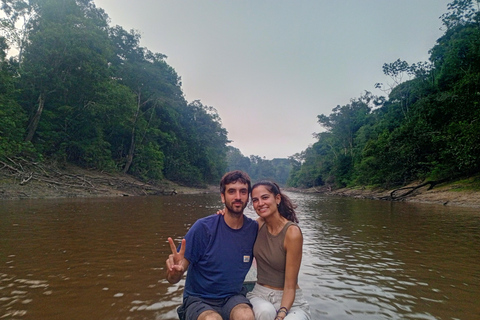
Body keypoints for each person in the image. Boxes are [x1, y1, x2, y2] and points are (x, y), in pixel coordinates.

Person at [166, 170, 258, 320]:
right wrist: (174, 273)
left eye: (243, 192)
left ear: (248, 196)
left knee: (246, 316)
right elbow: (173, 277)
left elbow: (275, 226)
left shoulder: (253, 229)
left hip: (233, 297)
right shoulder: (203, 228)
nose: (237, 197)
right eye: (231, 191)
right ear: (223, 196)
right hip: (199, 299)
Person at [247, 181, 311, 320]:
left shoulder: (292, 233)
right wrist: (223, 214)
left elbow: (290, 286)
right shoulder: (257, 226)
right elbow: (234, 225)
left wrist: (281, 314)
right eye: (255, 200)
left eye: (265, 197)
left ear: (277, 199)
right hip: (260, 295)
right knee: (266, 312)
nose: (260, 203)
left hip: (290, 300)